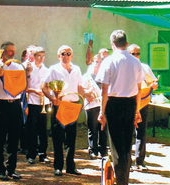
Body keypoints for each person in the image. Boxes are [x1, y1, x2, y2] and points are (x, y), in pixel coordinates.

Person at [96, 30, 144, 185]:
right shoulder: (136, 62)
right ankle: (125, 181)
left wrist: (102, 111)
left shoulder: (109, 61)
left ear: (112, 44)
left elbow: (104, 90)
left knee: (116, 144)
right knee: (126, 143)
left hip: (114, 103)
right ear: (126, 43)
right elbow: (139, 90)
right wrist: (137, 110)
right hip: (130, 103)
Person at [42, 45, 93, 176]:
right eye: (63, 54)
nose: (66, 56)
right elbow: (44, 86)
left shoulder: (76, 69)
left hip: (73, 105)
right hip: (60, 105)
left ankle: (71, 166)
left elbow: (80, 87)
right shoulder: (54, 69)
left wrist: (82, 101)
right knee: (58, 137)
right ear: (58, 56)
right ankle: (58, 167)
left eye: (68, 53)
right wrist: (52, 98)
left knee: (71, 137)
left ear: (72, 55)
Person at [0, 41, 31, 181]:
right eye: (10, 51)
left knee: (14, 137)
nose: (12, 53)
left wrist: (27, 74)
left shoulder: (17, 65)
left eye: (14, 50)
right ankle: (0, 169)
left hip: (15, 104)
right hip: (0, 105)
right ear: (3, 52)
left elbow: (24, 86)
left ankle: (12, 168)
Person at [127, 44, 158, 171]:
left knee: (141, 132)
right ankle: (126, 161)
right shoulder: (125, 68)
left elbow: (153, 83)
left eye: (137, 53)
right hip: (129, 102)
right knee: (127, 132)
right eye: (132, 54)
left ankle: (139, 161)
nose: (135, 56)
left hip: (143, 102)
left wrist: (155, 85)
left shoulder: (145, 67)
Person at [25, 47, 51, 164]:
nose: (41, 58)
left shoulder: (47, 70)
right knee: (32, 129)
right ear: (34, 57)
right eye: (38, 56)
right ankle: (31, 154)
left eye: (42, 56)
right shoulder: (30, 69)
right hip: (33, 101)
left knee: (43, 130)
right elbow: (25, 88)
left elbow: (50, 85)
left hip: (44, 102)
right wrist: (35, 91)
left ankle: (42, 153)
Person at [82, 54, 108, 159]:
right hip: (91, 105)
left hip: (103, 105)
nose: (98, 64)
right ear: (93, 63)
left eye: (100, 62)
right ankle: (93, 149)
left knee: (103, 128)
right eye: (96, 62)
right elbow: (81, 89)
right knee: (92, 128)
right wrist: (87, 93)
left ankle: (103, 150)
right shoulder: (87, 76)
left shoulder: (105, 75)